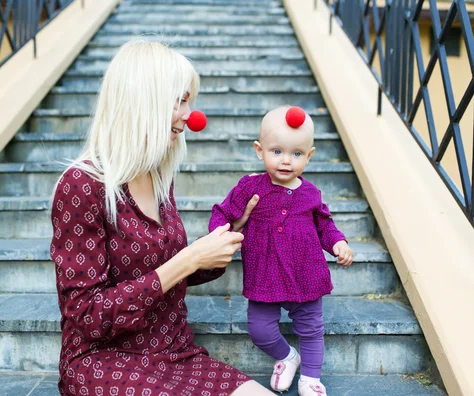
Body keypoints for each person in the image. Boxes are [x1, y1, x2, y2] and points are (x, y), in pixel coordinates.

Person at [49, 39, 274, 396]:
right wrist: (187, 260)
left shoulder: (158, 179)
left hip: (175, 352)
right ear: (145, 100)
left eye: (190, 101)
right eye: (180, 100)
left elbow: (162, 269)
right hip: (104, 360)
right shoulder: (82, 184)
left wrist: (227, 238)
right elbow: (87, 315)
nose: (189, 115)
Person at [208, 106, 354, 396]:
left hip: (305, 272)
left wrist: (338, 243)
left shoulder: (311, 193)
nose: (286, 161)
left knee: (311, 328)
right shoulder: (250, 186)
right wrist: (218, 233)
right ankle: (287, 356)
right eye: (277, 151)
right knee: (260, 329)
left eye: (297, 154)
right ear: (259, 150)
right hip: (265, 273)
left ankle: (311, 378)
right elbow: (223, 212)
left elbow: (325, 225)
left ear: (309, 156)